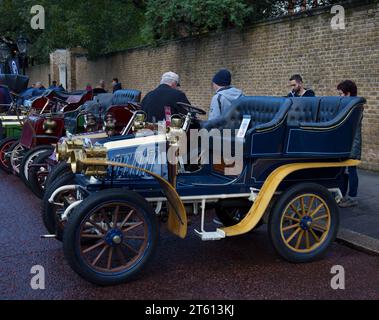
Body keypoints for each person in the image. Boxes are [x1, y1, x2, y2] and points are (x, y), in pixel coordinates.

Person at [337, 80, 361, 208]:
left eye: (341, 94)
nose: (339, 96)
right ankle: (341, 195)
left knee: (352, 170)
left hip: (353, 144)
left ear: (348, 93)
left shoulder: (356, 106)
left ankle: (352, 197)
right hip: (347, 143)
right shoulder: (349, 105)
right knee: (342, 170)